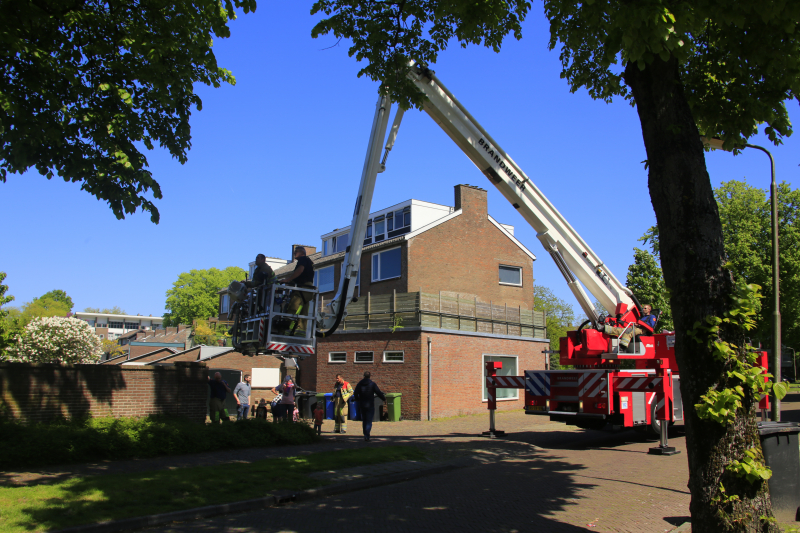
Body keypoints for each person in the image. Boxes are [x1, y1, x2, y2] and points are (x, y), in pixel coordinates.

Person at [281, 246, 315, 335]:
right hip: (308, 291)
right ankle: (300, 334)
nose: (294, 254)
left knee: (292, 308)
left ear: (301, 253)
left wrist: (287, 280)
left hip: (302, 289)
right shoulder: (309, 261)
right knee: (303, 314)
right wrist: (292, 281)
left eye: (295, 252)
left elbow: (300, 270)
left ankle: (285, 331)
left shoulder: (303, 259)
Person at [352, 371, 386, 441]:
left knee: (364, 420)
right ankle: (367, 435)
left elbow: (355, 393)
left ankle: (365, 434)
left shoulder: (360, 384)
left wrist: (358, 399)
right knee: (369, 421)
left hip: (362, 404)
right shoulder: (372, 384)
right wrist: (383, 398)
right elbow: (378, 392)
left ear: (363, 376)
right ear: (370, 376)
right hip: (370, 404)